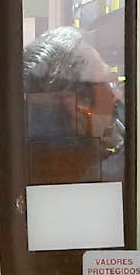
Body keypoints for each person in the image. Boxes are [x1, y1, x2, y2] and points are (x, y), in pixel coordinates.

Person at [24, 25, 124, 185]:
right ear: (80, 101)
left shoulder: (30, 164)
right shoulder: (94, 177)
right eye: (109, 83)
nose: (117, 96)